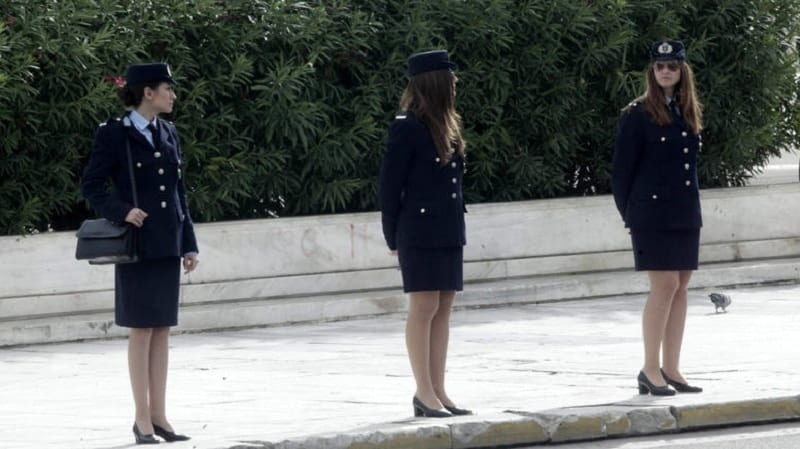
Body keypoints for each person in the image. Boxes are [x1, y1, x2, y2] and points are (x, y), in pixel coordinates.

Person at [82, 63, 199, 443]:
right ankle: (141, 419)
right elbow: (92, 185)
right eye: (168, 88)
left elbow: (179, 193)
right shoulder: (114, 133)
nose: (173, 95)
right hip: (138, 243)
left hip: (167, 242)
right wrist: (123, 211)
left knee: (162, 328)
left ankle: (160, 416)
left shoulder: (169, 132)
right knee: (142, 328)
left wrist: (189, 243)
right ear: (148, 92)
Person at [379, 50, 471, 417]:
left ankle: (438, 389)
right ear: (435, 82)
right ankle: (423, 391)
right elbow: (389, 187)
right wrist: (392, 237)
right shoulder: (407, 127)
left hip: (448, 227)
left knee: (443, 306)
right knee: (424, 306)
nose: (455, 82)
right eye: (450, 77)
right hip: (418, 230)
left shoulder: (446, 124)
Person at [612, 41, 704, 396]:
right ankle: (650, 368)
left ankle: (671, 368)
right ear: (652, 71)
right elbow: (621, 174)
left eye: (672, 66)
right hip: (651, 214)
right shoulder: (637, 114)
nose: (666, 71)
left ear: (682, 71)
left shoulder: (686, 110)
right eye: (660, 66)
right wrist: (633, 217)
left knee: (680, 287)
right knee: (664, 285)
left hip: (684, 211)